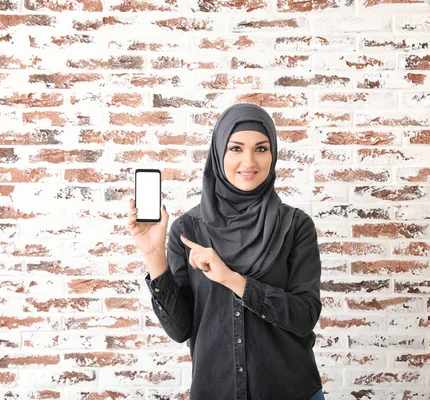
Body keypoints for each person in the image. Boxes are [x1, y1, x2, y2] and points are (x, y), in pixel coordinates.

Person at [127, 103, 324, 400]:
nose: (249, 161)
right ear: (219, 153)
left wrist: (233, 280)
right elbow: (180, 330)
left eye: (261, 148)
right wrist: (154, 255)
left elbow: (304, 316)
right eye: (235, 148)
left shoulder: (295, 226)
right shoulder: (188, 229)